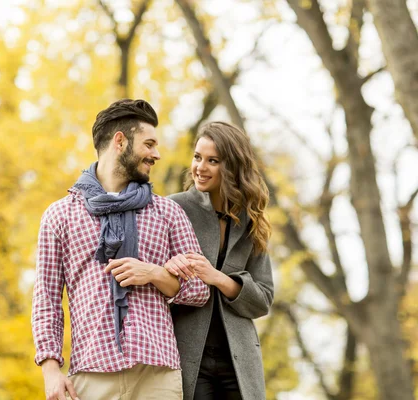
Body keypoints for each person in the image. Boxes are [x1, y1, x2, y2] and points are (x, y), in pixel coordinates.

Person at [31, 99, 210, 400]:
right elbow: (47, 298)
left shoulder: (167, 212)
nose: (157, 154)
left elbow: (200, 288)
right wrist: (50, 368)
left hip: (157, 374)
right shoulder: (60, 215)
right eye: (149, 144)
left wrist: (154, 273)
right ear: (120, 141)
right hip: (90, 375)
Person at [166, 121, 275, 400]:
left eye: (212, 161)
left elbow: (262, 299)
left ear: (232, 167)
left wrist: (218, 278)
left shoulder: (252, 221)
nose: (200, 168)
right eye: (197, 157)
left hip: (239, 362)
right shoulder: (172, 208)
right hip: (190, 357)